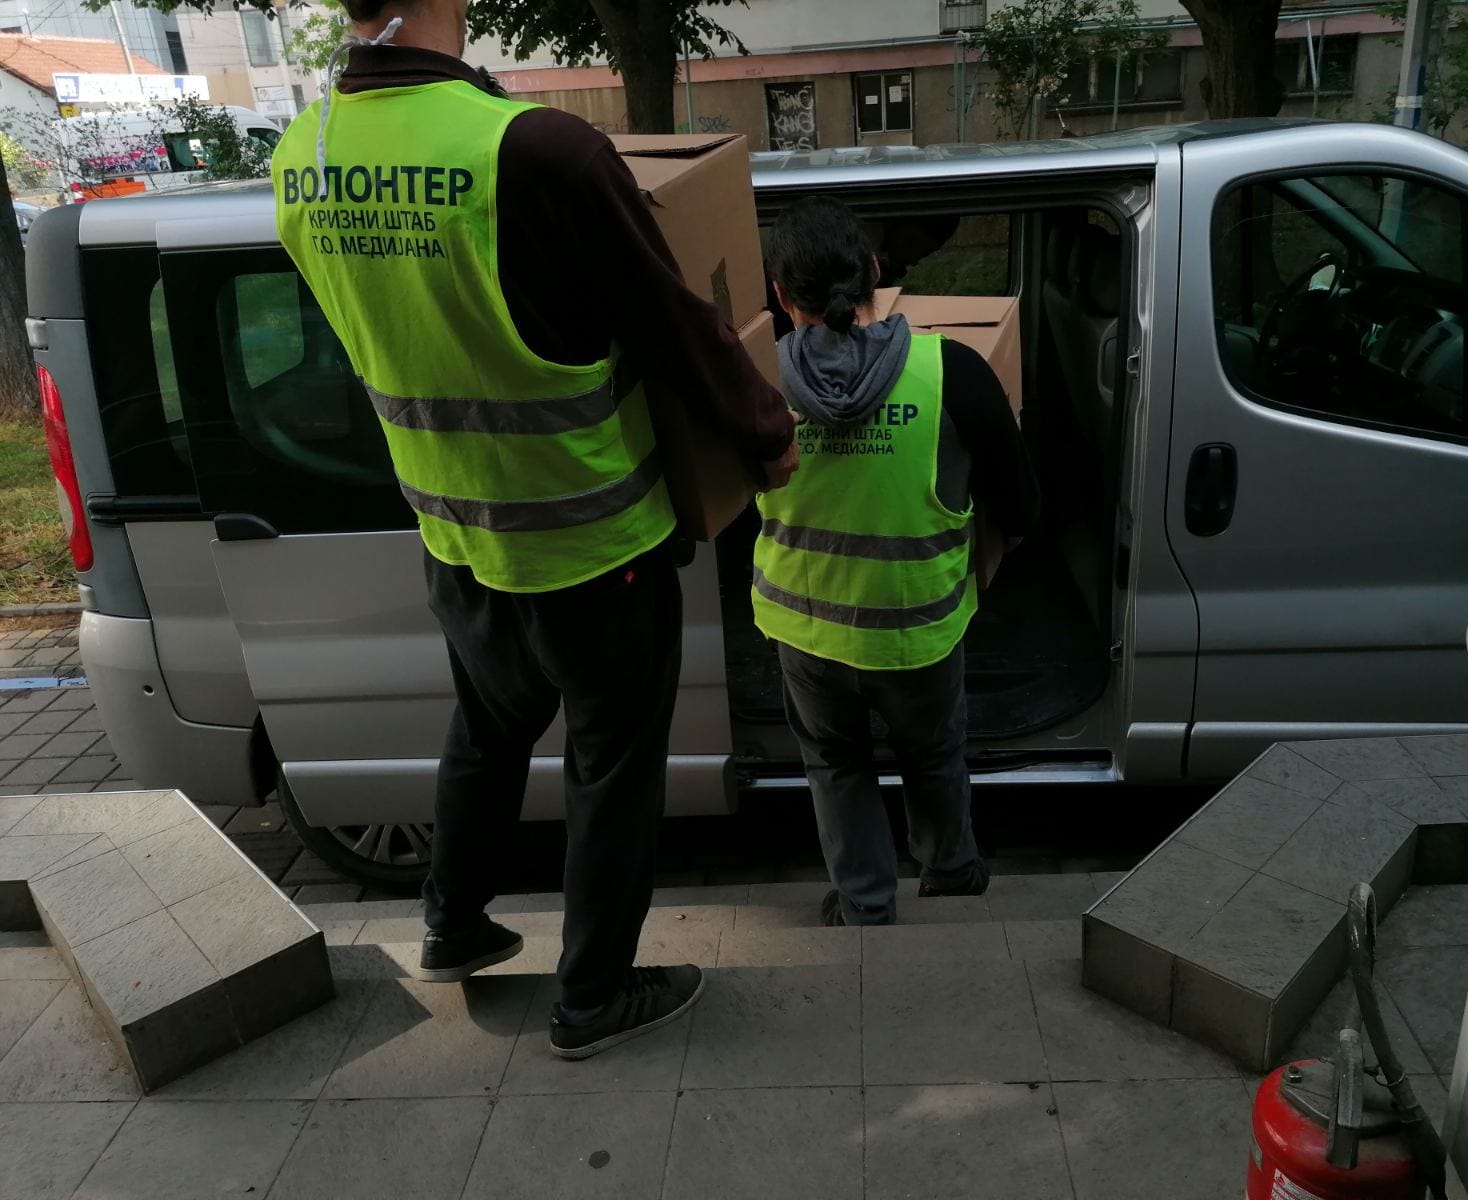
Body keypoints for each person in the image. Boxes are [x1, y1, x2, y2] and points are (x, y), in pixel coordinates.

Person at [271, 0, 797, 1059]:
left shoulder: (302, 154)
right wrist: (765, 434)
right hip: (590, 542)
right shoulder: (536, 151)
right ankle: (591, 997)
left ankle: (453, 924)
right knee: (612, 767)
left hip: (456, 535)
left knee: (487, 726)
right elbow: (674, 323)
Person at [757, 197, 1038, 926]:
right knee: (933, 752)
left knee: (835, 763)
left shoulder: (754, 382)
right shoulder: (954, 371)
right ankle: (950, 872)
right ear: (876, 275)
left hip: (807, 630)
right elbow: (1021, 508)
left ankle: (865, 906)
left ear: (781, 295)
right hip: (919, 630)